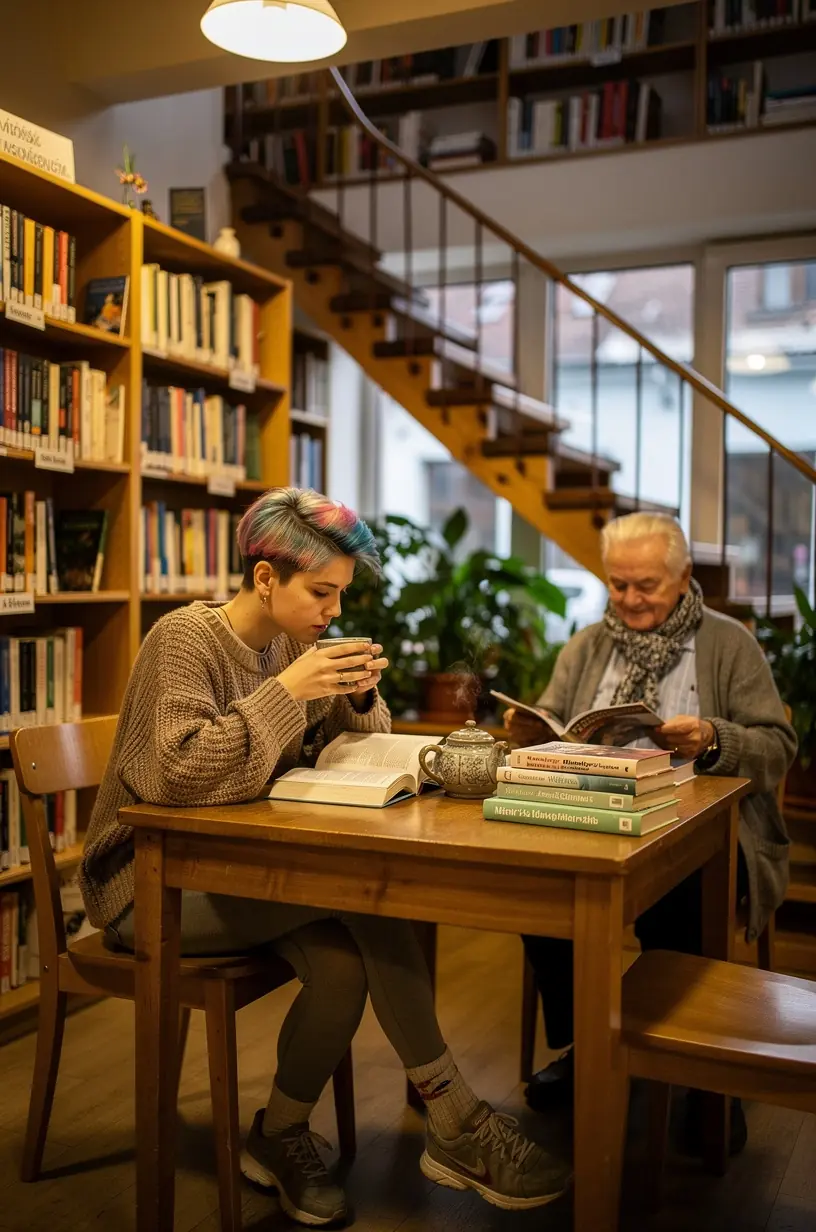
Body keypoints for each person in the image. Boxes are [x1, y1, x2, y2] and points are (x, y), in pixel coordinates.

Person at [79, 487, 569, 1228]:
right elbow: (172, 778)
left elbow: (330, 742)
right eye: (320, 591)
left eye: (339, 593)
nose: (333, 610)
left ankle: (277, 1135)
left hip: (238, 870)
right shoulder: (183, 640)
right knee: (364, 896)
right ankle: (457, 1121)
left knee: (341, 967)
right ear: (265, 577)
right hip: (146, 884)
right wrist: (284, 692)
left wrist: (358, 692)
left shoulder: (289, 642)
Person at [506, 512, 796, 1154]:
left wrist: (716, 738)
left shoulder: (729, 643)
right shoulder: (587, 644)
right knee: (539, 889)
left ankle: (697, 1075)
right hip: (595, 820)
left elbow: (779, 744)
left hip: (706, 833)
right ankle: (593, 1041)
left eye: (646, 586)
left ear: (684, 576)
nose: (631, 600)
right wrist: (535, 730)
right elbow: (555, 714)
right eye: (618, 585)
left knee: (679, 898)